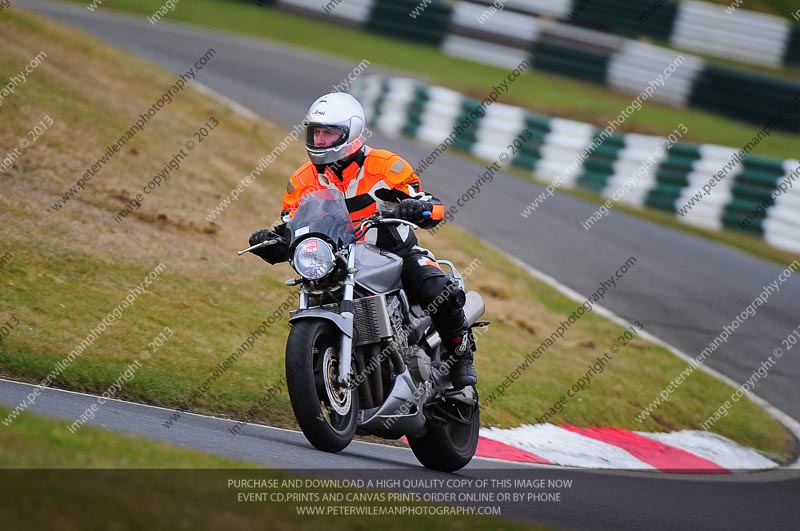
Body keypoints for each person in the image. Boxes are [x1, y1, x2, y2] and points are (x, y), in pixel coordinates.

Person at [249, 92, 477, 389]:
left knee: (436, 287)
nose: (319, 141)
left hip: (395, 252)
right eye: (315, 133)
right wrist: (274, 239)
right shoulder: (302, 179)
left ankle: (461, 357)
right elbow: (291, 222)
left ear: (352, 133)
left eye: (328, 133)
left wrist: (415, 206)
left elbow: (431, 205)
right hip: (336, 260)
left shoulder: (386, 165)